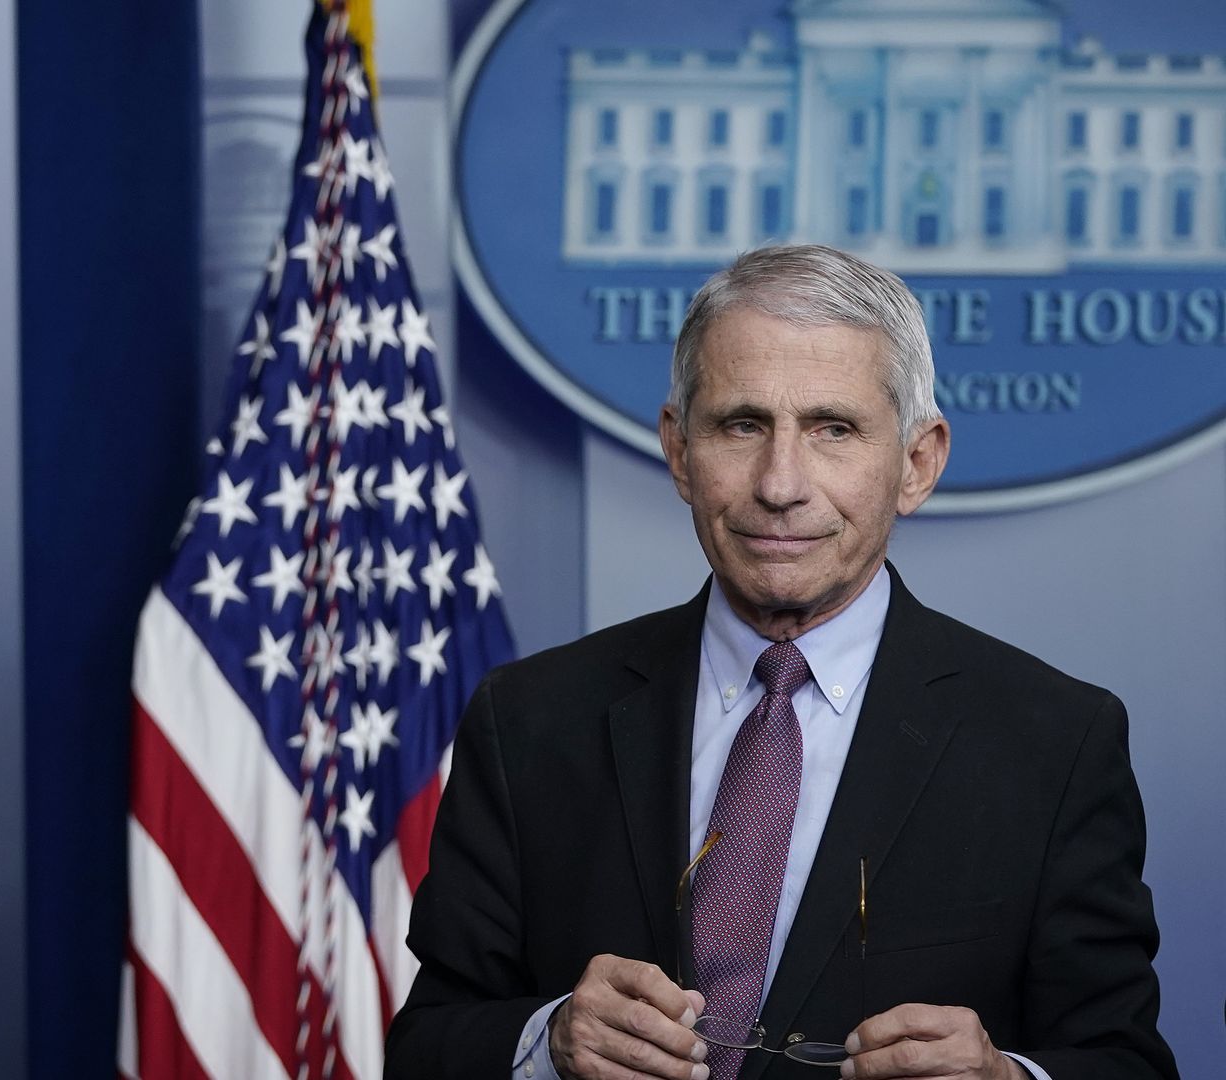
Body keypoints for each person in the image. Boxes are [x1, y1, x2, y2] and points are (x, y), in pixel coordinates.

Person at [386, 244, 1177, 1080]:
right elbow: (427, 1047)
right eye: (742, 425)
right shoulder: (530, 719)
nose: (780, 483)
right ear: (679, 449)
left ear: (918, 462)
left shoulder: (1056, 743)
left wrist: (1007, 1079)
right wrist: (547, 1041)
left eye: (833, 429)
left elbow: (1124, 1060)